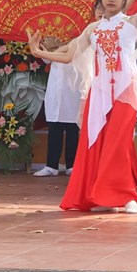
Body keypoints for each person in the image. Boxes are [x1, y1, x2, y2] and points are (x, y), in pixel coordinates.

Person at [27, 0, 137, 214]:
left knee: (118, 144)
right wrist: (38, 52)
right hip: (98, 94)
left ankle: (125, 196)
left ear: (123, 0)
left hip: (125, 92)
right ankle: (99, 196)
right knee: (96, 145)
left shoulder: (132, 22)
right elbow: (68, 56)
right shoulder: (93, 29)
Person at [34, 35, 82, 177]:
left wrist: (62, 46)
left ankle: (71, 166)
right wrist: (44, 47)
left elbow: (73, 56)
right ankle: (51, 166)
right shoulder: (54, 37)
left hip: (73, 88)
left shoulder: (81, 38)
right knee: (54, 127)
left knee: (72, 128)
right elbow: (47, 59)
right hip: (55, 88)